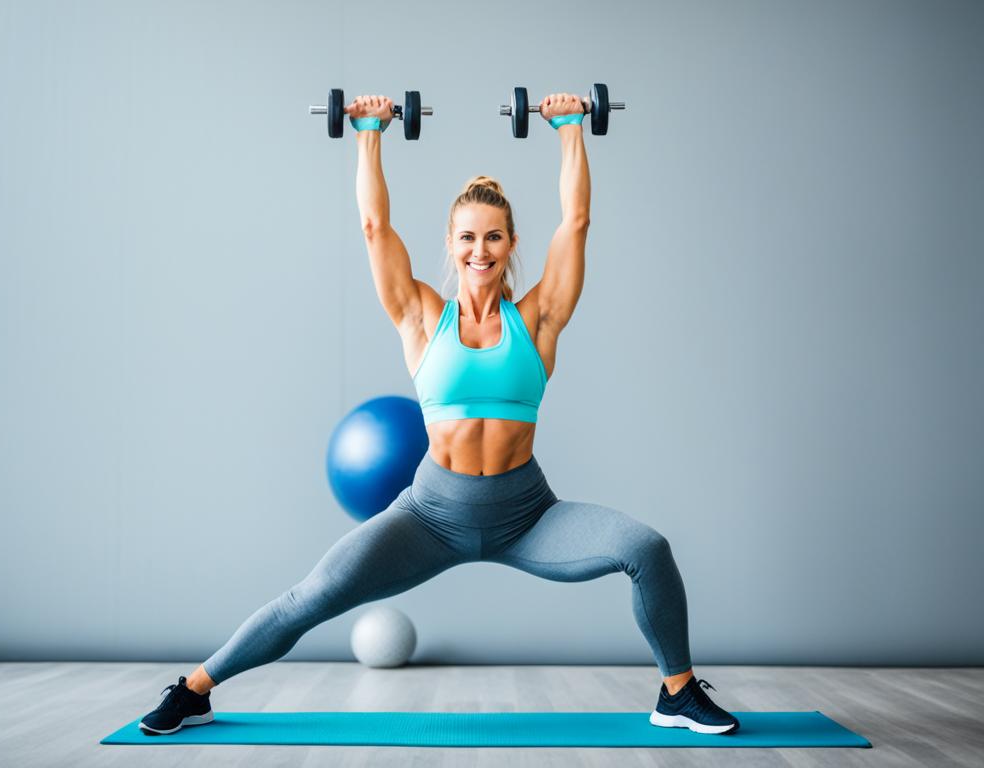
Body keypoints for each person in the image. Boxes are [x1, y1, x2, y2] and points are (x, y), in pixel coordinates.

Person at [138, 93, 739, 736]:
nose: (480, 250)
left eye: (493, 237)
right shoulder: (423, 315)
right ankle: (194, 690)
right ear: (451, 246)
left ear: (510, 244)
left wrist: (570, 127)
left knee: (646, 549)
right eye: (467, 238)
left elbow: (578, 222)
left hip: (527, 515)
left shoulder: (537, 318)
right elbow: (375, 227)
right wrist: (369, 131)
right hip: (428, 515)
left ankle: (676, 692)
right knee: (312, 596)